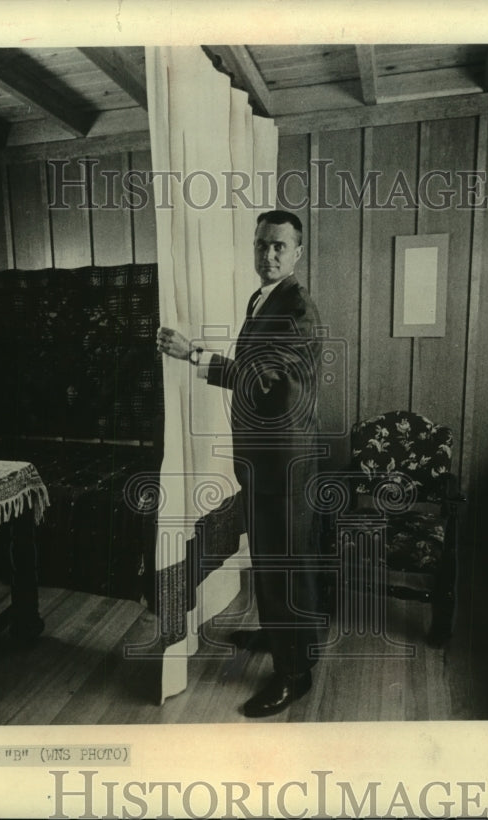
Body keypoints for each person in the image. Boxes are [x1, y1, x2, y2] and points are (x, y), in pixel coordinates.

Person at [157, 209, 322, 718]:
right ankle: (288, 640)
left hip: (282, 464)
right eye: (261, 245)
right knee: (280, 561)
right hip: (269, 458)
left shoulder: (296, 308)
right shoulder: (265, 298)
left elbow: (265, 381)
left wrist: (194, 355)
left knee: (282, 565)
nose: (267, 255)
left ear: (298, 252)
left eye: (278, 247)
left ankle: (294, 675)